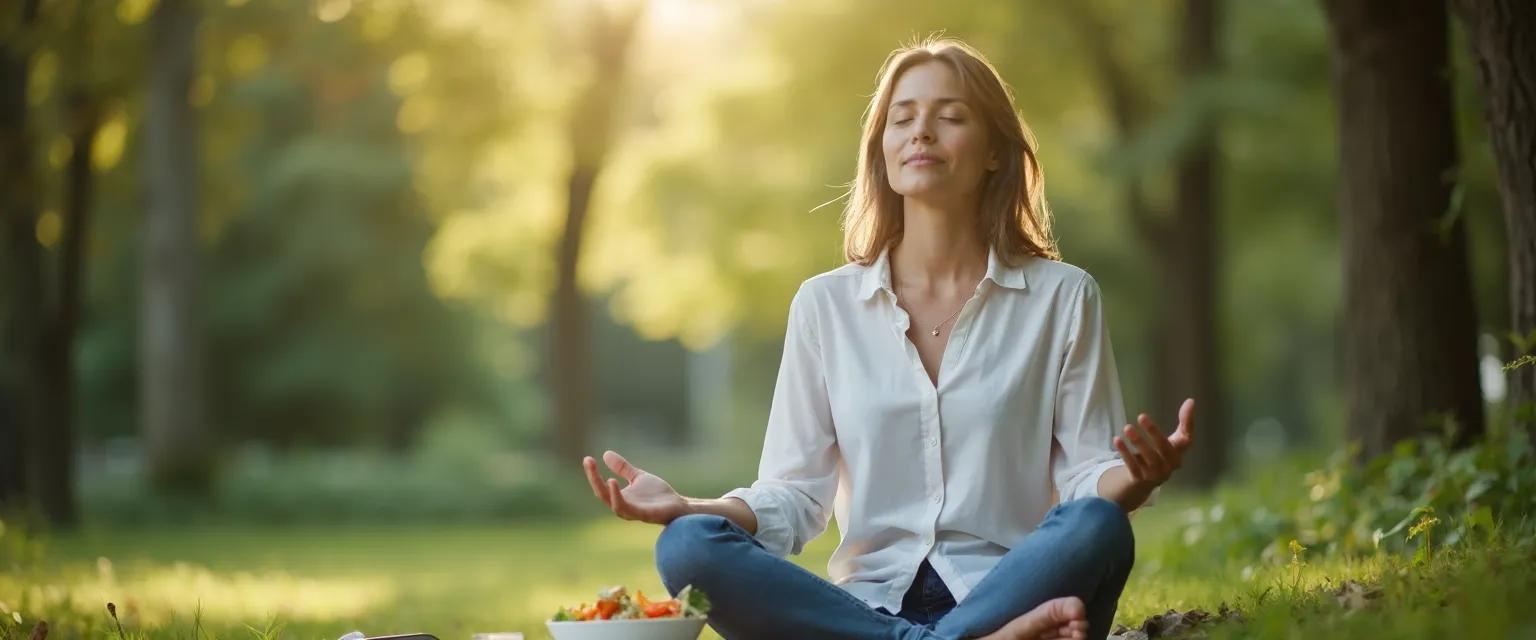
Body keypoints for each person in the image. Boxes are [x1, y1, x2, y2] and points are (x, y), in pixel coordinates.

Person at [580, 37, 1196, 640]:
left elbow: (1090, 476)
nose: (921, 132)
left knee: (1098, 526)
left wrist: (1139, 477)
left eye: (950, 117)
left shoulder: (1063, 297)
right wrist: (686, 505)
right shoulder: (826, 305)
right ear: (883, 151)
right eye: (902, 119)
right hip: (864, 606)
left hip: (1008, 589)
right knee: (688, 545)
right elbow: (793, 496)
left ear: (993, 154)